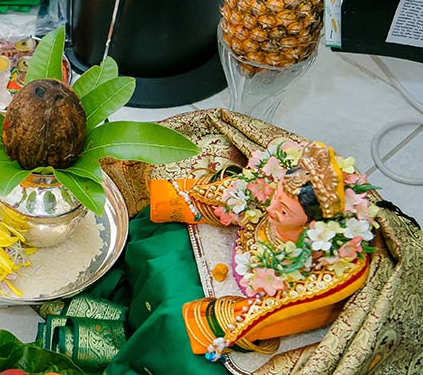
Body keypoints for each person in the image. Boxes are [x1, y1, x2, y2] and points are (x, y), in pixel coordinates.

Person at [149, 138, 378, 361]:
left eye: (285, 210)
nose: (270, 207)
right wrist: (174, 202)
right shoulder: (268, 194)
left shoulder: (327, 265)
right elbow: (230, 194)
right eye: (276, 196)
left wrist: (218, 326)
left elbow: (269, 311)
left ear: (313, 226)